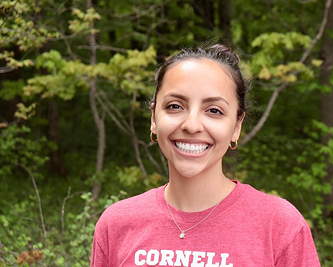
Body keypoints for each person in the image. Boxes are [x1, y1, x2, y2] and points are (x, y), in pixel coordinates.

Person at [90, 44, 320, 267]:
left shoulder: (279, 225)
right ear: (153, 118)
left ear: (237, 126)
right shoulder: (116, 224)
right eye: (175, 106)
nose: (192, 125)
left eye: (214, 111)